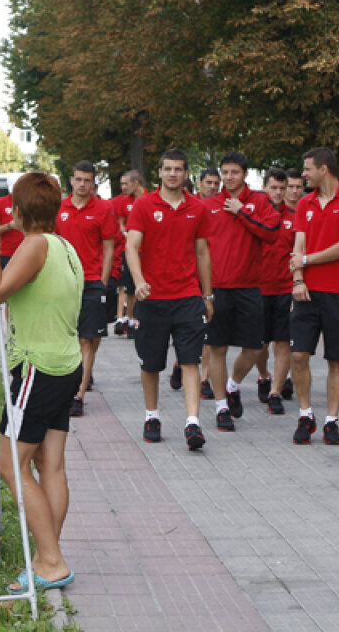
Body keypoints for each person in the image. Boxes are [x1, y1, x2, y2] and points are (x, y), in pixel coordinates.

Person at [0, 172, 82, 593]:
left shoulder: (34, 245)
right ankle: (46, 556)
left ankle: (51, 562)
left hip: (37, 368)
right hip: (64, 365)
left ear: (17, 212)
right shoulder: (63, 246)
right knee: (48, 464)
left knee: (10, 465)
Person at [125, 149, 214, 450]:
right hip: (152, 297)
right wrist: (138, 281)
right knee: (151, 364)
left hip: (187, 296)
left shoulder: (197, 208)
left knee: (191, 360)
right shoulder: (144, 205)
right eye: (168, 169)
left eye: (178, 169)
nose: (173, 174)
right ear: (159, 172)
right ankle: (152, 416)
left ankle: (193, 424)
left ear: (186, 173)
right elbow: (131, 245)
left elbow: (202, 252)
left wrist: (207, 294)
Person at [289, 147, 339, 445]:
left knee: (337, 360)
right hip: (306, 293)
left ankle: (332, 421)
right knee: (298, 356)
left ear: (324, 169)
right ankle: (306, 414)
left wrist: (306, 261)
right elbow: (298, 247)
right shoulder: (304, 203)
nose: (303, 174)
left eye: (307, 169)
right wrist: (298, 278)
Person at [205, 153, 280, 430]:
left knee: (253, 347)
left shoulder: (259, 202)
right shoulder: (209, 204)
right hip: (218, 288)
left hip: (249, 286)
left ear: (245, 174)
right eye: (225, 172)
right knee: (217, 348)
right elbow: (198, 248)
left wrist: (243, 211)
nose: (229, 177)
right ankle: (221, 406)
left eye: (235, 172)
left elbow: (272, 232)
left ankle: (233, 385)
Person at [55, 161, 118, 417]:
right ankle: (74, 379)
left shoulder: (103, 209)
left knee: (87, 338)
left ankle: (78, 395)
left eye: (87, 180)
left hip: (92, 282)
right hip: (64, 280)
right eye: (78, 179)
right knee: (71, 337)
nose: (82, 184)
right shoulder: (60, 207)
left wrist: (103, 281)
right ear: (71, 180)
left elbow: (109, 247)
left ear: (93, 183)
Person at [260, 167, 299, 414]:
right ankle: (264, 374)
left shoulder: (295, 217)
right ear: (265, 188)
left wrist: (298, 284)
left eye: (282, 189)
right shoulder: (253, 215)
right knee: (257, 345)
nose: (278, 192)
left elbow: (299, 254)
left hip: (285, 288)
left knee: (284, 342)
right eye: (273, 187)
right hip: (258, 288)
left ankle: (276, 391)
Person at [113, 170, 148, 337]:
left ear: (136, 183)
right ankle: (131, 319)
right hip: (130, 250)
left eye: (126, 184)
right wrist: (128, 235)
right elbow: (121, 224)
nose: (123, 187)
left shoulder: (150, 199)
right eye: (121, 184)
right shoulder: (124, 201)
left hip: (147, 252)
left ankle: (143, 318)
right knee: (130, 288)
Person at [0, 177, 25, 269]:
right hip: (6, 254)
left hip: (27, 252)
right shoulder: (1, 202)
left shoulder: (30, 201)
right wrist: (9, 226)